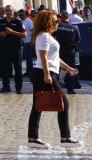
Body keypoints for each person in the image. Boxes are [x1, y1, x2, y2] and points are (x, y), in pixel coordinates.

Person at [26, 9, 81, 149]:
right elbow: (43, 56)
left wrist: (69, 68)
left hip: (46, 72)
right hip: (43, 73)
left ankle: (33, 138)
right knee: (63, 102)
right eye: (56, 21)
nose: (58, 23)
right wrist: (46, 74)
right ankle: (65, 138)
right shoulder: (44, 36)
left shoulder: (48, 36)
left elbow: (55, 58)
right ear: (48, 22)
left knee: (38, 106)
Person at [0, 6, 26, 93]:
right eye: (7, 11)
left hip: (16, 48)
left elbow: (24, 35)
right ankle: (6, 87)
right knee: (4, 69)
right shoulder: (1, 22)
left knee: (18, 69)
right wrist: (0, 33)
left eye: (10, 11)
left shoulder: (18, 22)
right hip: (4, 48)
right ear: (5, 12)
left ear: (13, 12)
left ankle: (18, 88)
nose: (9, 12)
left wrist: (12, 32)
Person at [52, 12, 81, 94]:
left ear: (62, 18)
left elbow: (52, 36)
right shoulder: (74, 27)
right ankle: (70, 89)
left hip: (59, 51)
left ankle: (55, 87)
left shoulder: (58, 26)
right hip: (70, 51)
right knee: (70, 69)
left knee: (56, 69)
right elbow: (78, 40)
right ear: (69, 18)